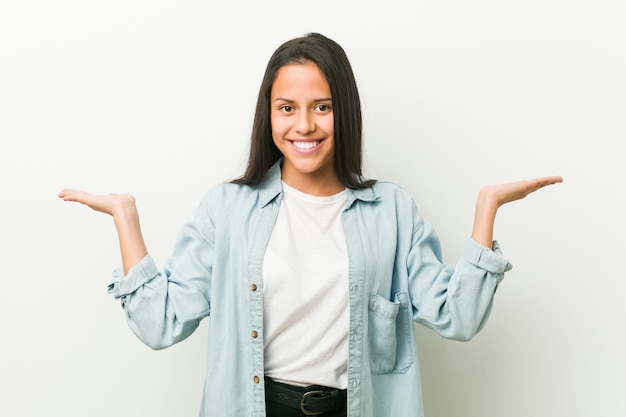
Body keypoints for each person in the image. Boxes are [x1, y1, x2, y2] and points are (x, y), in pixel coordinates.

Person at [58, 33, 562, 417]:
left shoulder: (392, 210)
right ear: (269, 116)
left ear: (344, 111)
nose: (304, 125)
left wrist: (485, 210)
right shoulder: (227, 209)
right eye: (287, 109)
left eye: (322, 107)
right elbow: (159, 324)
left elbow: (459, 317)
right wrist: (127, 220)